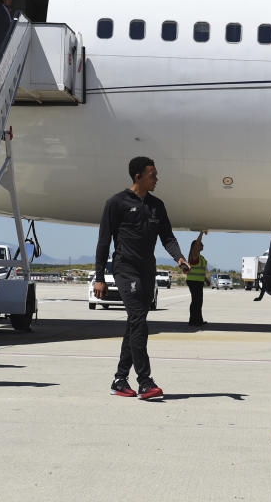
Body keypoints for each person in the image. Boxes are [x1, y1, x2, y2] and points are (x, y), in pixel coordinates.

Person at [94, 156, 190, 400]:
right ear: (138, 176)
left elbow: (167, 237)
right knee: (138, 320)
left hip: (148, 270)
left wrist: (179, 258)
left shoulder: (157, 205)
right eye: (152, 175)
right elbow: (104, 242)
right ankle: (145, 382)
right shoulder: (116, 203)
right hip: (125, 269)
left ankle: (119, 379)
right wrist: (99, 278)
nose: (157, 179)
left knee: (135, 323)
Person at [185, 231, 207, 327]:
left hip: (198, 281)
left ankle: (198, 320)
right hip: (194, 281)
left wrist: (206, 279)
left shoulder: (200, 257)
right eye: (200, 244)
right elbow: (197, 244)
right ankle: (193, 321)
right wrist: (201, 233)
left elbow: (200, 270)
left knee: (198, 301)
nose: (202, 245)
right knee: (196, 301)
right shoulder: (194, 255)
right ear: (196, 247)